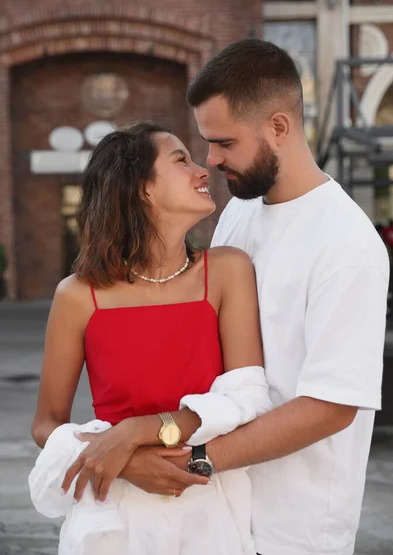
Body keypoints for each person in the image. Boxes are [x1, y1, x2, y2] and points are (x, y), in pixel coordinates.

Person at [119, 40, 390, 555]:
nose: (210, 159)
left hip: (292, 528)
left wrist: (194, 458)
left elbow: (331, 406)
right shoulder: (241, 212)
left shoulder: (347, 243)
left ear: (279, 127)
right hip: (218, 513)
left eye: (224, 143)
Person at [29, 121, 272, 555]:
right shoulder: (79, 295)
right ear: (142, 188)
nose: (203, 170)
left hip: (210, 504)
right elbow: (46, 423)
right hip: (113, 517)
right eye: (181, 159)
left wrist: (143, 431)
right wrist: (126, 462)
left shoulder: (227, 271)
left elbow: (249, 395)